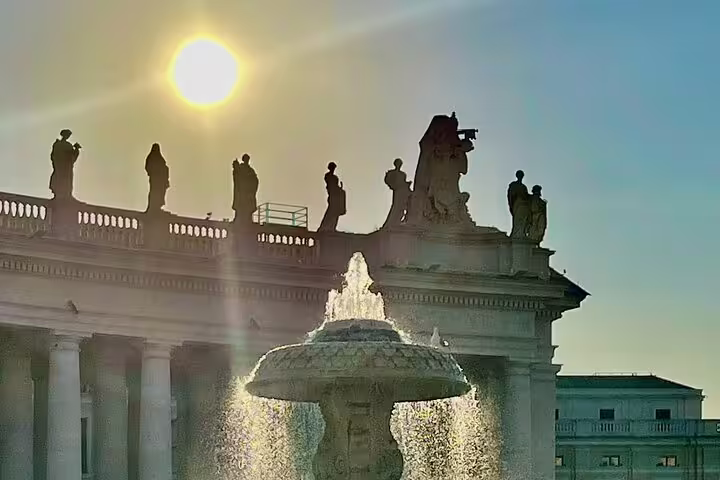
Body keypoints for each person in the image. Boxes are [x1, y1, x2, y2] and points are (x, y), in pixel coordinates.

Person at [49, 129, 81, 200]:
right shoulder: (58, 144)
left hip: (67, 166)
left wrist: (76, 150)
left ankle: (68, 195)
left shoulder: (68, 145)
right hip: (60, 165)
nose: (68, 136)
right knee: (59, 178)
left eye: (69, 135)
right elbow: (54, 155)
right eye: (67, 135)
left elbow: (72, 156)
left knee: (67, 180)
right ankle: (59, 195)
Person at [381, 158, 411, 229]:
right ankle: (391, 223)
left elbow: (403, 182)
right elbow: (387, 180)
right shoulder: (391, 173)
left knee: (402, 206)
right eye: (398, 163)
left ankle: (399, 221)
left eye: (400, 164)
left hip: (403, 191)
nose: (399, 165)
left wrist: (407, 184)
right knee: (396, 206)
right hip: (398, 191)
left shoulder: (403, 174)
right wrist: (393, 186)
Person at [318, 162, 346, 232]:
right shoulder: (328, 176)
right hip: (332, 196)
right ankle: (325, 227)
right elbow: (330, 185)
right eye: (332, 168)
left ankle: (332, 228)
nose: (333, 169)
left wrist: (340, 188)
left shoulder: (335, 177)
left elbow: (335, 186)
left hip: (336, 196)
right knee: (330, 213)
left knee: (335, 213)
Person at [232, 154, 259, 225]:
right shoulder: (241, 168)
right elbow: (237, 176)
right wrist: (235, 167)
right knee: (241, 206)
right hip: (242, 192)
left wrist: (252, 191)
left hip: (247, 193)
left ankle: (247, 220)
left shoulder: (250, 170)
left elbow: (255, 181)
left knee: (247, 208)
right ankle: (239, 219)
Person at [144, 143, 169, 213]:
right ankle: (153, 207)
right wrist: (153, 172)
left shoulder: (160, 159)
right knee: (154, 192)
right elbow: (147, 167)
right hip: (155, 180)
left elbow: (164, 167)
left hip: (160, 181)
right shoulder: (151, 157)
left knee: (160, 193)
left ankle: (157, 207)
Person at [507, 170, 530, 238]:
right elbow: (510, 195)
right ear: (517, 176)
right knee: (517, 221)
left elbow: (527, 196)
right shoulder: (513, 185)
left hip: (524, 206)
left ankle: (522, 234)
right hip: (517, 204)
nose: (521, 177)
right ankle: (516, 234)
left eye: (522, 175)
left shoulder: (524, 187)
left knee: (523, 221)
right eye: (519, 175)